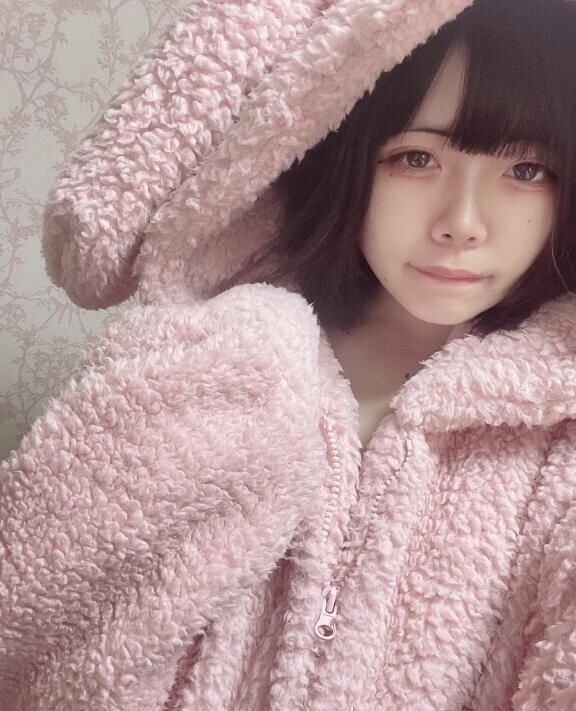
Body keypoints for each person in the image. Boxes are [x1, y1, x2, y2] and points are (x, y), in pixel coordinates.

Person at [3, 0, 576, 708]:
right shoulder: (201, 373)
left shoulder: (560, 437)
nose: (463, 222)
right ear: (346, 159)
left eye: (527, 170)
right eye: (417, 158)